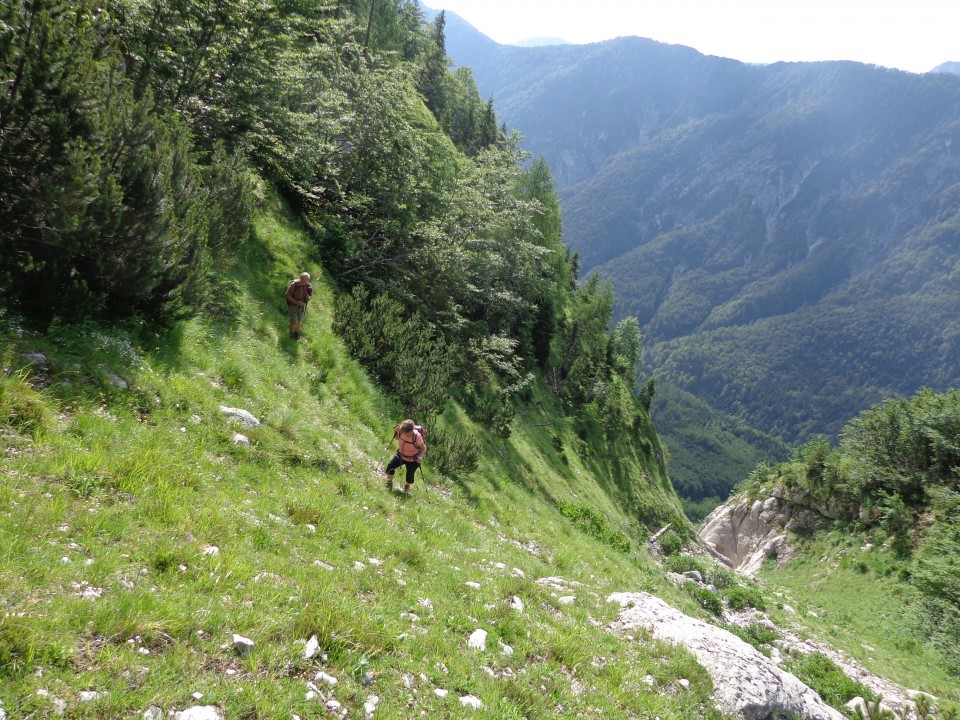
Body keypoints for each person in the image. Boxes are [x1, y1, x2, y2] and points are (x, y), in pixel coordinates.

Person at [385, 419, 426, 493]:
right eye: (405, 432)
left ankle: (406, 486)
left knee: (410, 475)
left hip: (413, 459)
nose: (406, 434)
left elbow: (423, 448)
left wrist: (421, 457)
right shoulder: (401, 430)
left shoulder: (417, 436)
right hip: (401, 455)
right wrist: (395, 431)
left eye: (408, 433)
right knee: (390, 466)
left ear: (412, 430)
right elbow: (397, 438)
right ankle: (389, 483)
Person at [285, 272, 313, 339]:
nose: (303, 282)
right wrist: (297, 302)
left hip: (302, 306)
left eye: (305, 281)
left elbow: (311, 294)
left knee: (299, 321)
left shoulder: (308, 285)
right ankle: (290, 332)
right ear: (300, 278)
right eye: (302, 280)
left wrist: (309, 298)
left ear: (307, 280)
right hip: (293, 305)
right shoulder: (294, 285)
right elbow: (287, 295)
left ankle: (296, 334)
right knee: (294, 321)